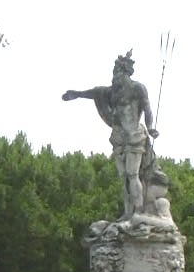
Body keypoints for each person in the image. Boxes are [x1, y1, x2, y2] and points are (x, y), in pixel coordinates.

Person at [63, 51, 161, 218]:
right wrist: (77, 94)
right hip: (119, 137)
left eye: (117, 72)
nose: (114, 76)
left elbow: (147, 109)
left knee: (132, 173)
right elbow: (94, 92)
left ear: (125, 73)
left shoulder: (138, 88)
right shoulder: (111, 92)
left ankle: (138, 212)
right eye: (114, 72)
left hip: (135, 135)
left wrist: (150, 127)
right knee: (124, 178)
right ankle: (128, 212)